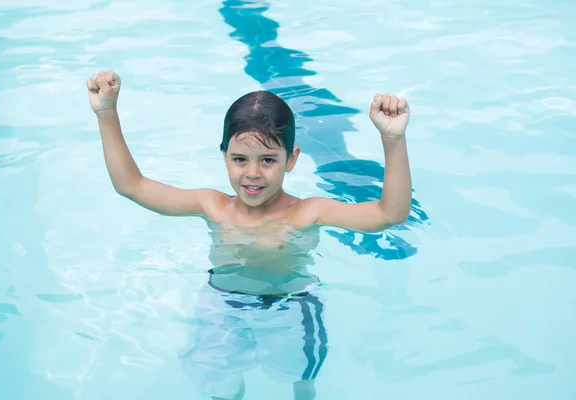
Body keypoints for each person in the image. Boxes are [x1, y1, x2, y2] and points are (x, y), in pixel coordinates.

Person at [86, 70, 412, 400]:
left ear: (292, 159)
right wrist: (106, 112)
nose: (252, 173)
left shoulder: (306, 213)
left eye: (268, 159)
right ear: (224, 155)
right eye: (240, 159)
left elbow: (390, 214)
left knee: (298, 375)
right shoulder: (211, 206)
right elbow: (132, 186)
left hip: (290, 307)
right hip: (222, 303)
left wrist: (393, 139)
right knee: (216, 380)